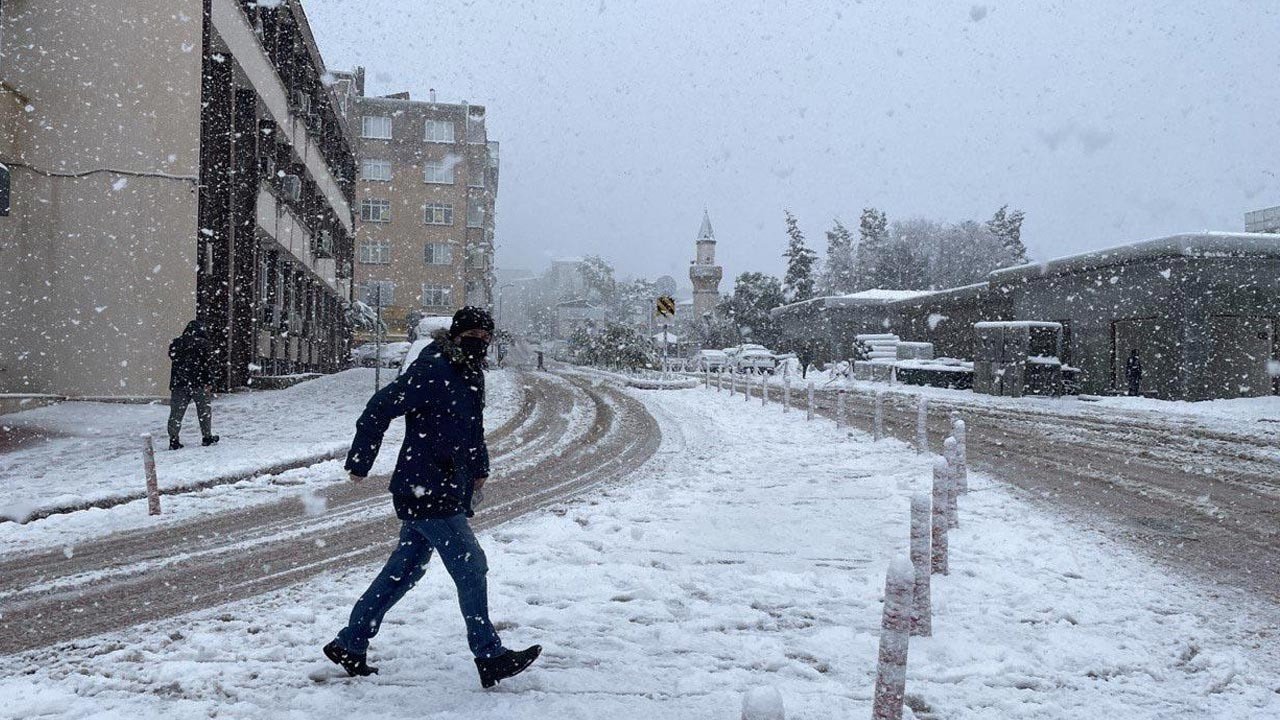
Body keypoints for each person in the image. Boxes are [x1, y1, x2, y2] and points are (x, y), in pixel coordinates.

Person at [324, 306, 541, 688]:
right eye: (473, 337)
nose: (480, 344)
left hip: (442, 486)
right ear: (456, 337)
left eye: (486, 339)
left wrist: (479, 470)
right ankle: (489, 655)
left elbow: (472, 429)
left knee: (404, 571)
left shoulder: (468, 374)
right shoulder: (433, 370)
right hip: (425, 486)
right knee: (470, 565)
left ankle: (350, 642)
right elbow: (379, 407)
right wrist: (360, 461)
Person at [167, 320, 218, 450]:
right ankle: (207, 437)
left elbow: (172, 356)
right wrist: (209, 382)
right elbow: (208, 365)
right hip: (198, 383)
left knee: (176, 413)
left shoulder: (177, 343)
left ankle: (173, 439)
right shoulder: (204, 344)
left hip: (179, 383)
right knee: (204, 411)